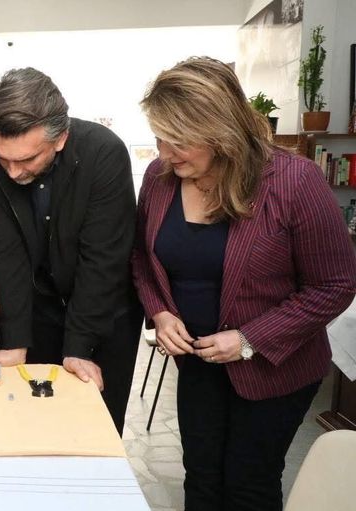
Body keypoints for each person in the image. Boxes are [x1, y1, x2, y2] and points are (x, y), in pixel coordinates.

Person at [133, 57, 356, 511]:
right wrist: (160, 311)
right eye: (159, 137)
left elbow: (335, 284)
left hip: (276, 370)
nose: (165, 152)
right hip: (199, 363)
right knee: (201, 479)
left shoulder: (294, 180)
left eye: (179, 140)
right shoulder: (158, 178)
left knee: (247, 486)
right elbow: (140, 257)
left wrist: (249, 339)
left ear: (220, 130)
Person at [0, 67, 142, 434]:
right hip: (40, 308)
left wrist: (79, 346)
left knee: (94, 428)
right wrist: (16, 340)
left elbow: (103, 258)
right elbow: (10, 251)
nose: (13, 172)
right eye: (4, 158)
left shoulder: (103, 152)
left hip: (105, 313)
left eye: (27, 159)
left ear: (60, 137)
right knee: (34, 424)